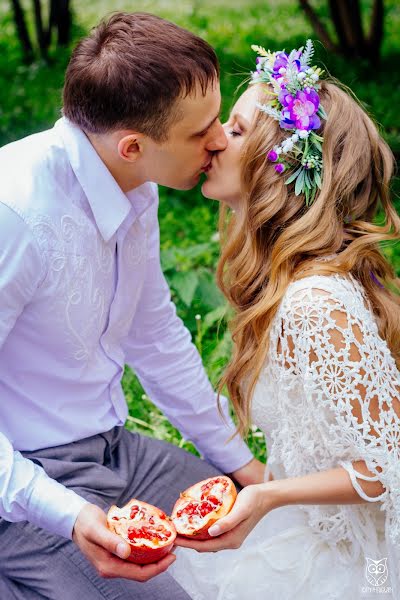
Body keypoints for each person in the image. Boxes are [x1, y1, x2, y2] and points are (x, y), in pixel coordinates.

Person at [0, 12, 265, 600]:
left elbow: (155, 337)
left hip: (119, 449)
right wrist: (65, 513)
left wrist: (241, 465)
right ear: (133, 145)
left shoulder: (135, 183)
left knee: (267, 534)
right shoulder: (13, 212)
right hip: (23, 481)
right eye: (202, 133)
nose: (221, 139)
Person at [169, 40, 400, 599]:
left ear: (282, 167)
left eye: (239, 130)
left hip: (365, 567)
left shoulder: (313, 302)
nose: (217, 138)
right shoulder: (285, 286)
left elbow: (390, 466)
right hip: (309, 530)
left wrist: (270, 497)